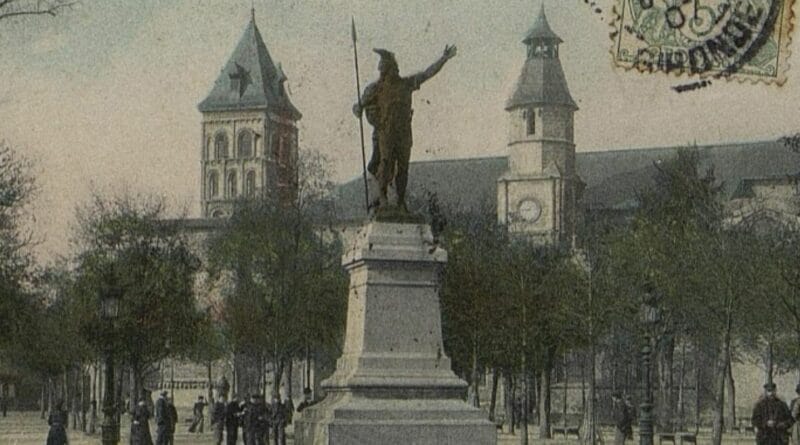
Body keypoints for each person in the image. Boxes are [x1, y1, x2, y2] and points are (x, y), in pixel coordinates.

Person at [352, 44, 457, 212]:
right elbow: (359, 106)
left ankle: (400, 200)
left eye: (386, 65)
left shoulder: (406, 84)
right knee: (385, 164)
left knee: (403, 168)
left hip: (404, 134)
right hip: (386, 133)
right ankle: (383, 197)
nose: (383, 69)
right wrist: (358, 108)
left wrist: (443, 58)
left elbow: (427, 74)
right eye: (383, 66)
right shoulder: (376, 89)